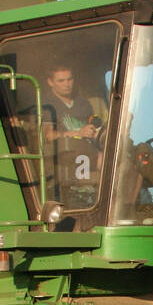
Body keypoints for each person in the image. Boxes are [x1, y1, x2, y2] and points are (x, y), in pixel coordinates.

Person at [40, 65, 107, 203]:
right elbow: (47, 136)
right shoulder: (46, 104)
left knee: (126, 162)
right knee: (110, 164)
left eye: (69, 79)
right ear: (50, 82)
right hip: (66, 159)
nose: (67, 84)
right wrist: (78, 133)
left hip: (89, 152)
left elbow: (92, 126)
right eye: (61, 80)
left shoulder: (83, 103)